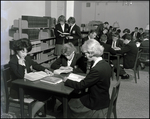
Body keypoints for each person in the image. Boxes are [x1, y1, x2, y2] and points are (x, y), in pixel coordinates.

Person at [63, 39, 112, 118]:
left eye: (84, 53)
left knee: (71, 101)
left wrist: (67, 81)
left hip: (96, 101)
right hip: (103, 96)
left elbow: (81, 85)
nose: (84, 56)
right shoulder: (105, 64)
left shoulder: (96, 69)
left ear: (90, 53)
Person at [9, 38, 53, 117]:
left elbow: (35, 65)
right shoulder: (13, 61)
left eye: (26, 52)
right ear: (17, 50)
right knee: (44, 96)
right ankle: (31, 114)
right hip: (18, 89)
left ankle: (32, 111)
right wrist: (20, 64)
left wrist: (45, 69)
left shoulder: (27, 58)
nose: (25, 54)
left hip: (28, 84)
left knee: (47, 92)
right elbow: (20, 76)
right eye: (23, 51)